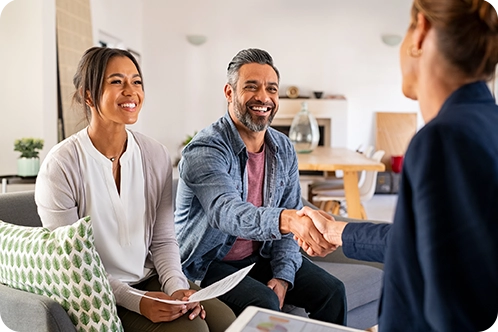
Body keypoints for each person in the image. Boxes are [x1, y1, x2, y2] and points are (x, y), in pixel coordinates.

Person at [296, 0, 498, 330]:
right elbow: (421, 245)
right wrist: (337, 231)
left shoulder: (444, 140)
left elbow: (455, 311)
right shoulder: (485, 124)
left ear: (421, 31)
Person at [35, 46, 236, 332]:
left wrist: (177, 288)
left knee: (226, 320)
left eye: (136, 81)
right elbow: (73, 264)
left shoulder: (154, 154)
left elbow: (164, 240)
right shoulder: (61, 165)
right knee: (192, 330)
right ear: (88, 95)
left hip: (147, 277)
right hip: (95, 293)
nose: (131, 91)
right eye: (117, 81)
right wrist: (137, 301)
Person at [174, 48, 346, 326]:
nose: (263, 98)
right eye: (251, 87)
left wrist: (282, 276)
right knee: (263, 303)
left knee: (332, 292)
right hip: (208, 264)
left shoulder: (283, 148)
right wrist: (287, 219)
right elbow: (226, 212)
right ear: (229, 93)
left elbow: (289, 226)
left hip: (258, 256)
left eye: (271, 89)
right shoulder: (205, 149)